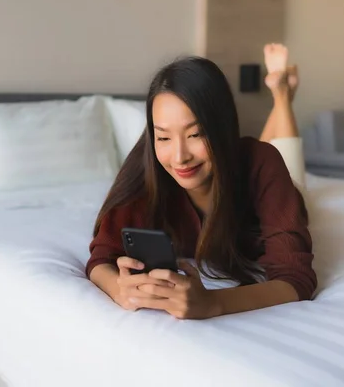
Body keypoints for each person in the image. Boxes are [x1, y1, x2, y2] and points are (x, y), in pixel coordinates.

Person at [86, 44, 316, 320]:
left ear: (222, 127)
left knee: (280, 155)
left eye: (196, 134)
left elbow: (296, 278)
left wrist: (213, 303)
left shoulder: (262, 162)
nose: (180, 157)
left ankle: (282, 97)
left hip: (283, 188)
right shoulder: (147, 168)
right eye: (164, 137)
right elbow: (101, 258)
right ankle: (279, 96)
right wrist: (120, 289)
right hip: (236, 157)